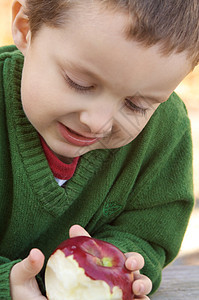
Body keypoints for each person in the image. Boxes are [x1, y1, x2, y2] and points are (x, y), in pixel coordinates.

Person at [0, 0, 196, 299]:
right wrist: (7, 285)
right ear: (26, 29)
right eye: (79, 83)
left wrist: (124, 264)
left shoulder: (164, 131)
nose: (97, 122)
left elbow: (149, 230)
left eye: (135, 105)